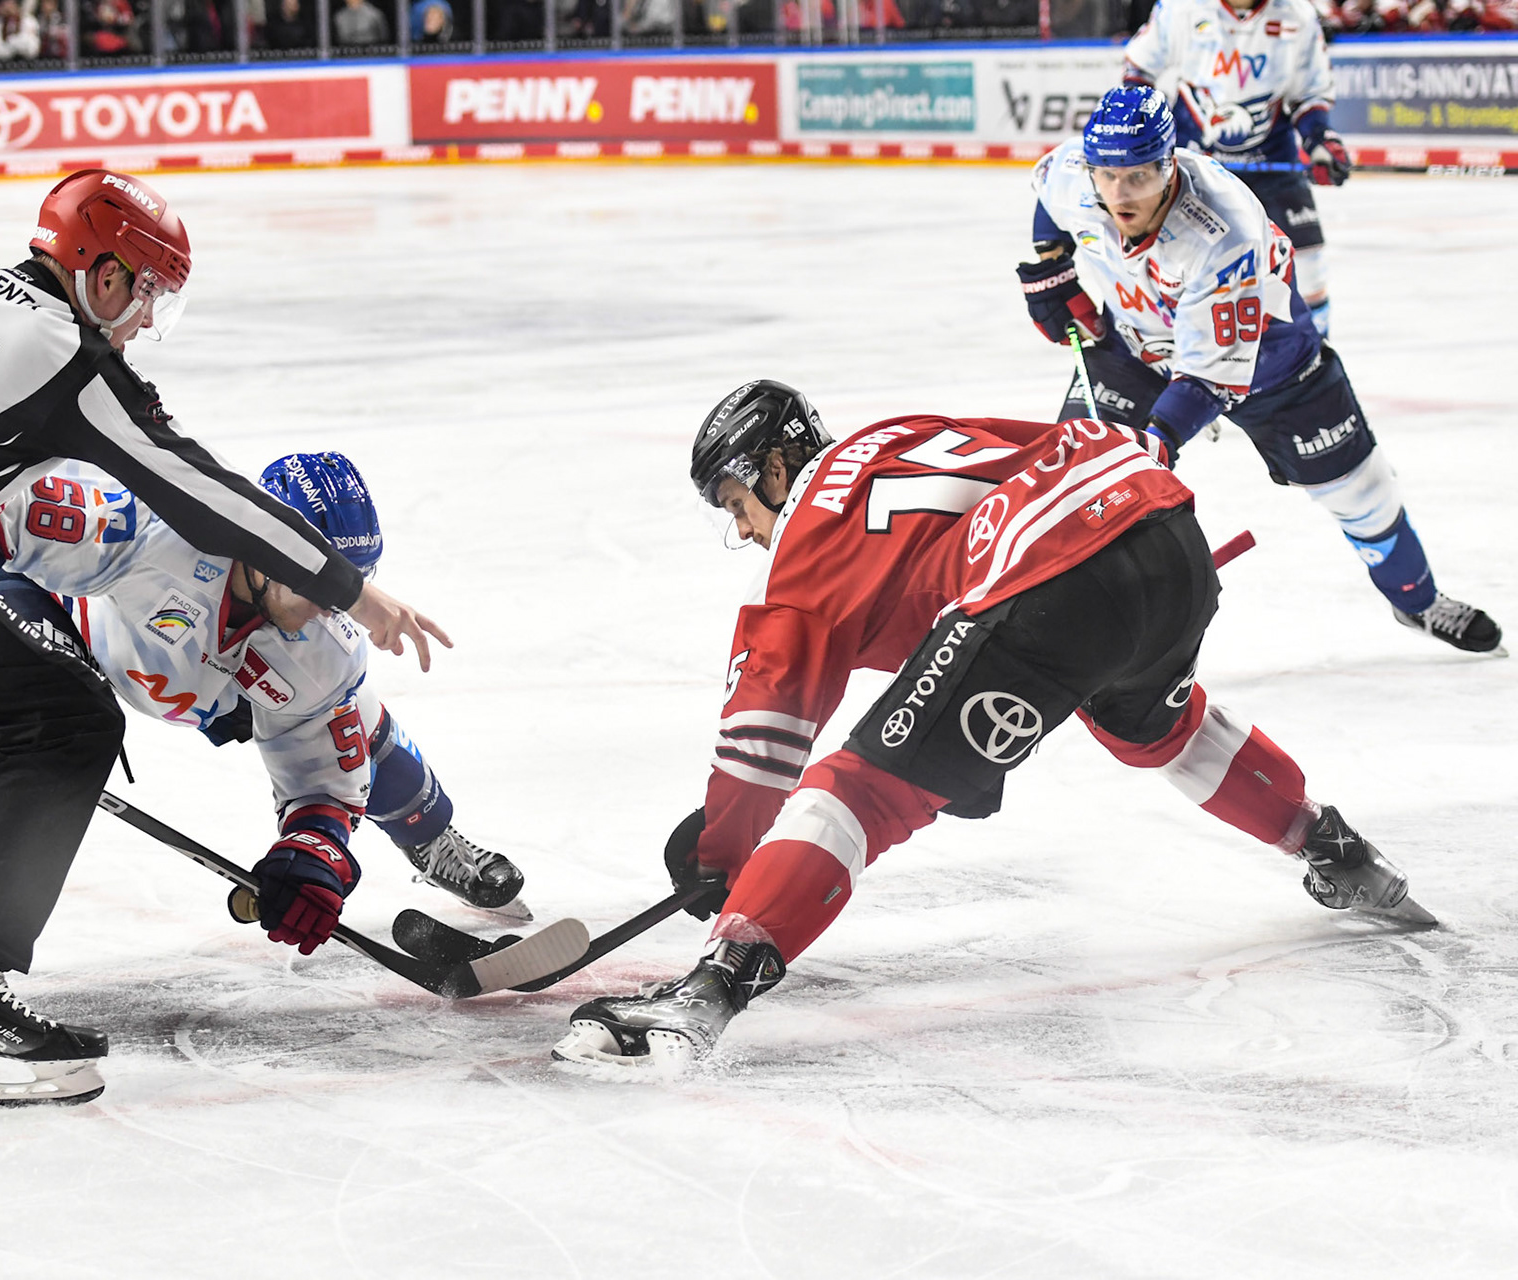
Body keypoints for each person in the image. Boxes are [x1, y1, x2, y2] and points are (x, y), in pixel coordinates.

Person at [0, 168, 448, 1107]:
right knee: (67, 722)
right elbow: (194, 486)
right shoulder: (68, 356)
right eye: (145, 296)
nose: (142, 325)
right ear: (103, 274)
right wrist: (353, 588)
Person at [553, 380, 1429, 1073]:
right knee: (1156, 729)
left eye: (737, 501)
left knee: (857, 792)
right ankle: (1334, 848)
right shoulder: (891, 440)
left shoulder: (804, 545)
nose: (744, 530)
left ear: (775, 466)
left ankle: (708, 990)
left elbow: (763, 736)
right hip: (1165, 538)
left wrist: (721, 850)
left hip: (1052, 585)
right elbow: (1044, 469)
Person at [1015, 86, 1501, 654]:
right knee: (1079, 470)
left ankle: (1417, 601)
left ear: (1170, 166)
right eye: (1108, 176)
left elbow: (1211, 379)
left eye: (1139, 179)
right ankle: (1054, 629)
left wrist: (1158, 441)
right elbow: (1050, 195)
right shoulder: (1077, 171)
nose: (1120, 195)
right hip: (1138, 345)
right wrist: (1054, 267)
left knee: (1362, 493)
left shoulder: (1223, 231)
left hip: (1271, 364)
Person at [0, 451, 526, 924]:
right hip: (64, 629)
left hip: (210, 685)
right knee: (0, 759)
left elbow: (323, 781)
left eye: (349, 584)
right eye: (317, 578)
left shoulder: (323, 643)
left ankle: (429, 836)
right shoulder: (147, 528)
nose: (332, 606)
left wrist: (313, 851)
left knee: (355, 725)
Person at [1121, 0, 1346, 336]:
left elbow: (1310, 94)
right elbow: (1138, 69)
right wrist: (1142, 128)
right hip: (1193, 165)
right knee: (1175, 268)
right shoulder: (1180, 8)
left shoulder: (1298, 14)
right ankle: (1180, 357)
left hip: (1271, 162)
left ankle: (1314, 365)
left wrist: (1319, 140)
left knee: (1308, 267)